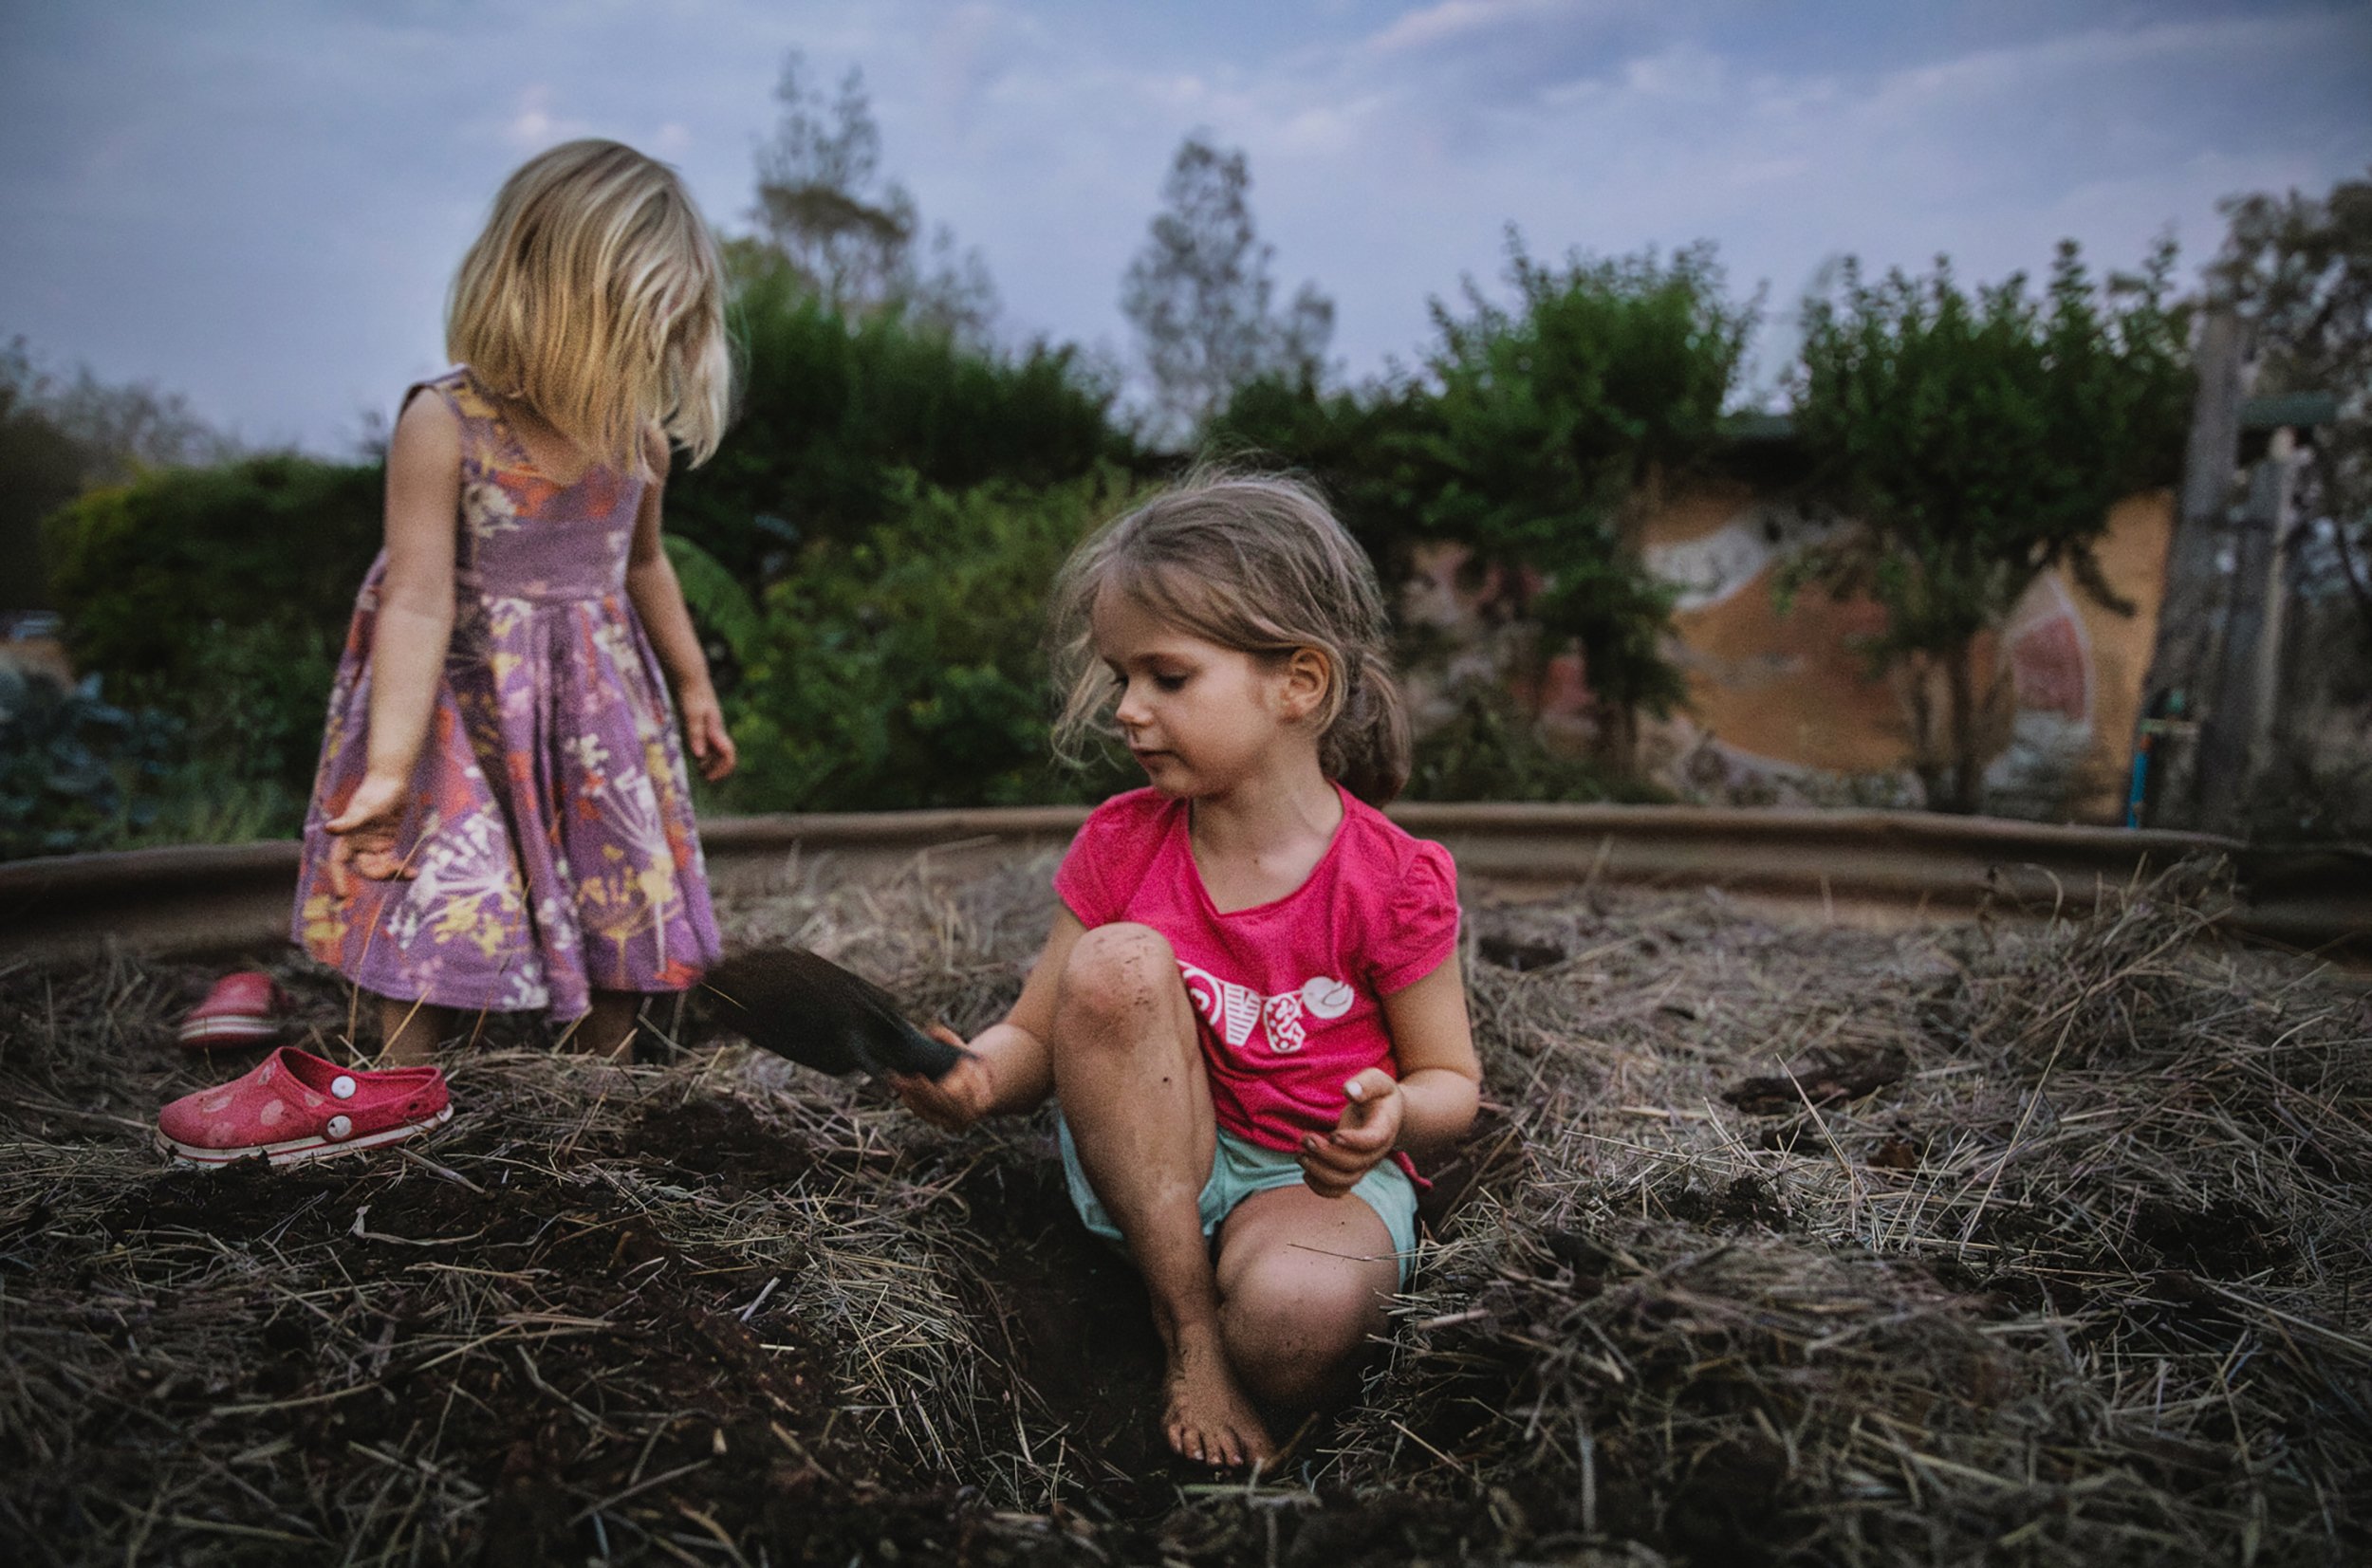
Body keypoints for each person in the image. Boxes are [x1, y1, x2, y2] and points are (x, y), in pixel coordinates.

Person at [893, 475, 1480, 1469]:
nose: (1127, 709)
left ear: (1297, 683)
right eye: (1121, 677)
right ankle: (1186, 1336)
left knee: (1294, 1328)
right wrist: (979, 1077)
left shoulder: (1393, 880)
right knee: (1115, 960)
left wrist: (1391, 1118)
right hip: (1153, 1162)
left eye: (1166, 678)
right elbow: (1038, 1032)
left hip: (1310, 1178)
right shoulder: (1124, 843)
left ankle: (1245, 1319)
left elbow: (1450, 1083)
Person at [292, 138, 736, 1066]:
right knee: (443, 876)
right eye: (631, 328)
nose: (647, 354)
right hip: (458, 701)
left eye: (664, 333)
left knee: (611, 867)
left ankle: (597, 1091)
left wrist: (693, 683)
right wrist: (389, 764)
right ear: (550, 301)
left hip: (594, 704)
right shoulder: (443, 424)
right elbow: (414, 599)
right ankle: (402, 1077)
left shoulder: (636, 443)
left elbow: (644, 565)